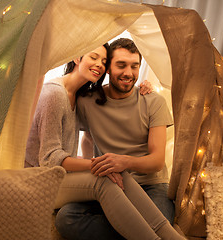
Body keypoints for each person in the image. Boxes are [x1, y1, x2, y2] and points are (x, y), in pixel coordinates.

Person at [24, 43, 185, 240]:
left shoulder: (82, 96)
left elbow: (87, 138)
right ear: (77, 58)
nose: (99, 65)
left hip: (149, 185)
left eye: (134, 66)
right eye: (93, 57)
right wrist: (100, 164)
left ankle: (149, 232)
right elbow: (50, 157)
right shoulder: (67, 96)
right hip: (46, 177)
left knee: (117, 177)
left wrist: (116, 162)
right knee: (73, 213)